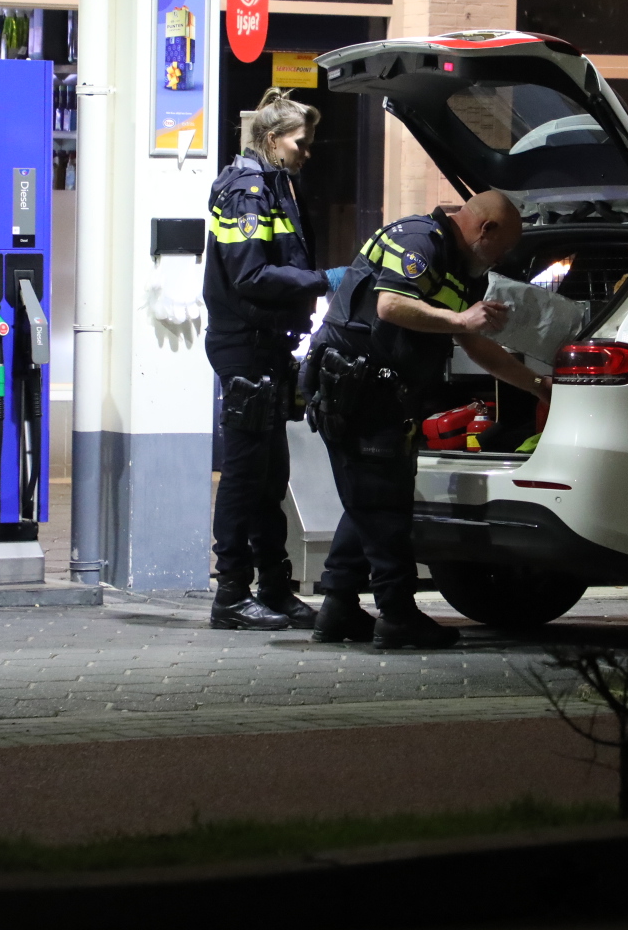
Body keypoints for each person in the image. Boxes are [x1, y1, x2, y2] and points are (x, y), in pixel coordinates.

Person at [304, 190, 551, 649]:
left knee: (369, 498)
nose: (506, 256)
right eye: (505, 245)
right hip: (357, 388)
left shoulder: (465, 271)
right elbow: (390, 306)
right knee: (385, 505)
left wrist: (535, 384)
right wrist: (461, 322)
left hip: (385, 393)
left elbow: (476, 344)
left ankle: (338, 605)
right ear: (485, 230)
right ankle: (397, 616)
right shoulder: (419, 240)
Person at [203, 88, 336, 631]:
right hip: (247, 344)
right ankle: (231, 594)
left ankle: (275, 588)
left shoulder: (276, 184)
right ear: (273, 139)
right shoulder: (248, 190)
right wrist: (328, 280)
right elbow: (251, 274)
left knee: (269, 473)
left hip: (268, 345)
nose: (308, 152)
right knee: (243, 474)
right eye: (301, 142)